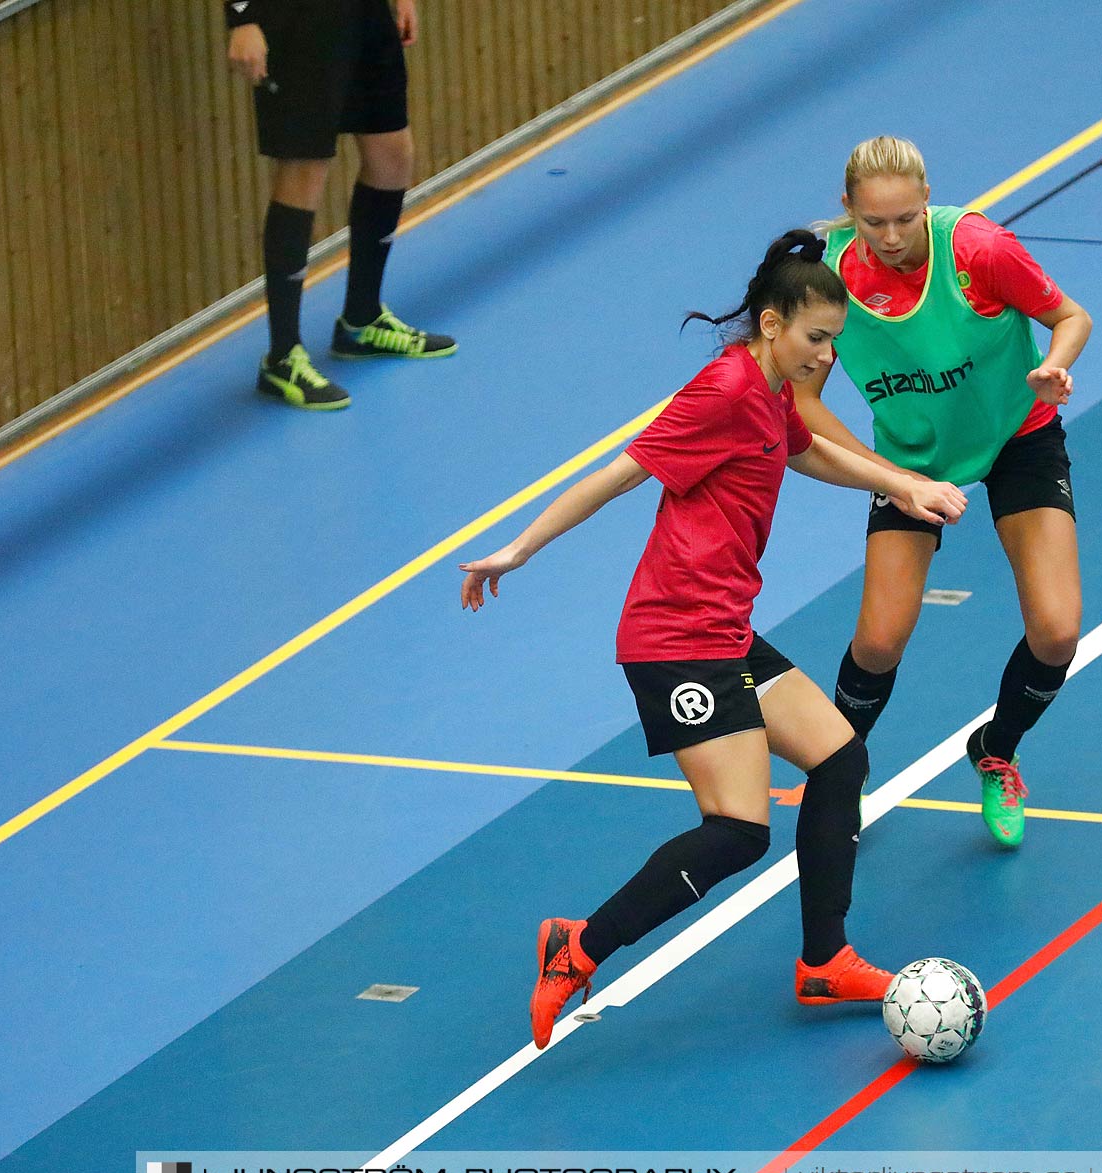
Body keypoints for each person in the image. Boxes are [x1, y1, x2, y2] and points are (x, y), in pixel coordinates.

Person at [459, 231, 967, 1048]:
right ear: (771, 324)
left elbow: (811, 453)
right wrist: (519, 548)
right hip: (675, 637)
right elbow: (622, 472)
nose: (826, 356)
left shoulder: (772, 391)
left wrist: (905, 487)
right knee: (737, 829)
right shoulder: (726, 389)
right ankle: (577, 948)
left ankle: (824, 960)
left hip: (724, 626)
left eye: (836, 341)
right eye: (815, 338)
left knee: (840, 758)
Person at [794, 135, 1094, 850]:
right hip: (911, 459)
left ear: (928, 200)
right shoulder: (828, 276)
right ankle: (841, 774)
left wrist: (1054, 366)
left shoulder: (980, 251)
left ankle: (996, 749)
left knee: (1057, 633)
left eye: (905, 219)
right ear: (848, 211)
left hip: (1018, 434)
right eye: (874, 223)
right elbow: (802, 400)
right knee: (877, 641)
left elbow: (1071, 317)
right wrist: (889, 476)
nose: (892, 238)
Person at [225, 0, 456, 412]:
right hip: (294, 20)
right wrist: (242, 17)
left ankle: (362, 321)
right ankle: (283, 358)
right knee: (305, 169)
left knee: (392, 154)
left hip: (360, 12)